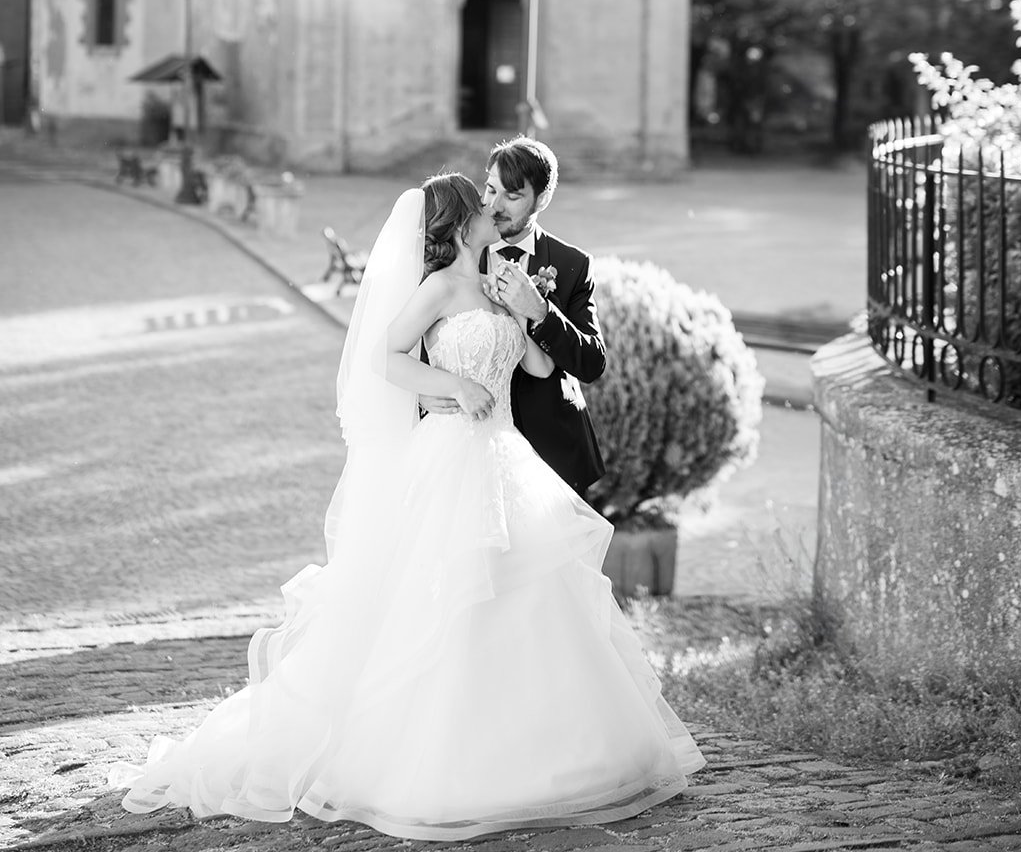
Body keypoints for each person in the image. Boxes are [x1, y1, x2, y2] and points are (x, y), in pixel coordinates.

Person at [113, 173, 703, 840]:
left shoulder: (496, 282)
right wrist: (451, 381)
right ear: (458, 225)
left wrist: (529, 309)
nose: (493, 211)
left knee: (527, 597)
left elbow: (538, 372)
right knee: (442, 598)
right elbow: (386, 357)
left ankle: (547, 748)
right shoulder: (439, 289)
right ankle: (434, 760)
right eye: (482, 206)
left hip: (505, 458)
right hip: (450, 454)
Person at [419, 137, 606, 496]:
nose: (494, 205)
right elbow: (416, 345)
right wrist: (425, 393)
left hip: (549, 456)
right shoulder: (452, 252)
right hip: (466, 450)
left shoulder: (572, 265)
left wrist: (538, 310)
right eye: (490, 189)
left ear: (542, 199)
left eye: (512, 196)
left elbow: (592, 363)